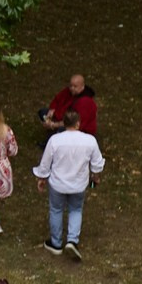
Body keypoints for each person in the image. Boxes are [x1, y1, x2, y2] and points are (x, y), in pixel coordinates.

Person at [31, 108, 104, 259]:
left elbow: (45, 163)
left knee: (56, 210)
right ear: (78, 123)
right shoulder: (89, 140)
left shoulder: (55, 140)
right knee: (76, 210)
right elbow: (97, 163)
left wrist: (42, 178)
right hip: (78, 184)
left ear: (64, 123)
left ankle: (56, 243)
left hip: (58, 184)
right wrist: (95, 177)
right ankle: (72, 240)